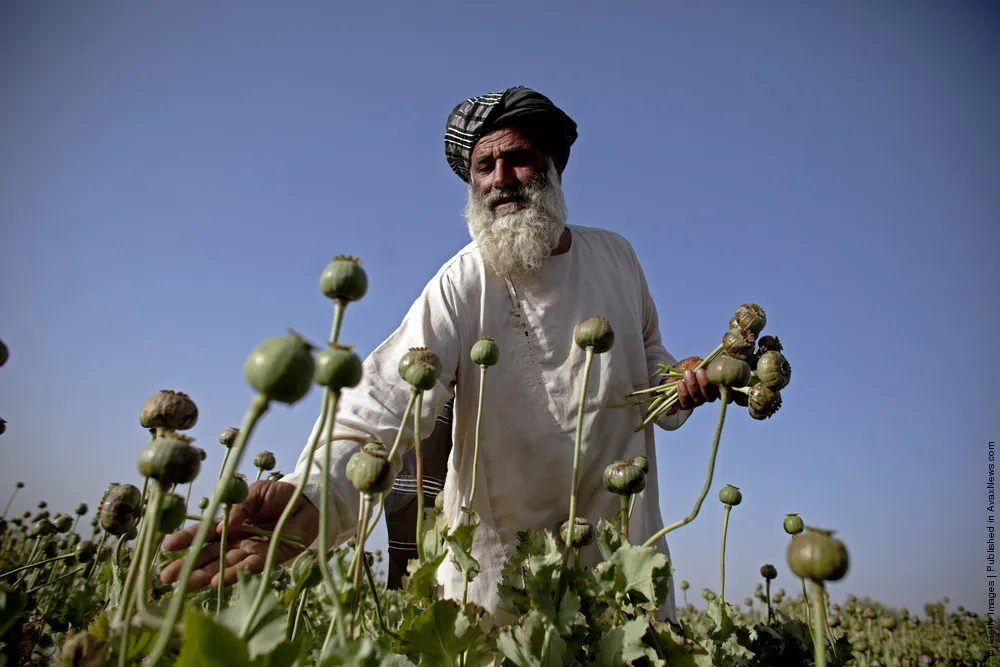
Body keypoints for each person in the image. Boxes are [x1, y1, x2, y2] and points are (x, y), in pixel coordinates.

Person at [160, 86, 718, 623]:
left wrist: (681, 383)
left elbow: (647, 361)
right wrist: (310, 497)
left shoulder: (618, 257)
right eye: (483, 167)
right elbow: (381, 404)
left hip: (619, 551)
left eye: (517, 159)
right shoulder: (462, 280)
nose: (499, 180)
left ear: (553, 166)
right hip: (499, 573)